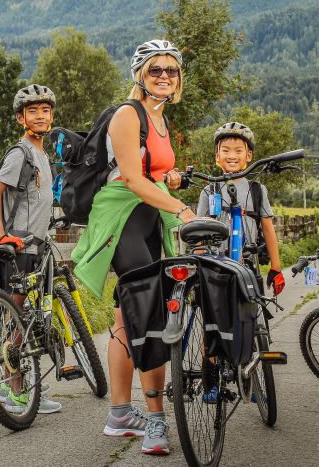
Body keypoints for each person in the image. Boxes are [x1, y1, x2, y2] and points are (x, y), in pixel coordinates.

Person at [71, 39, 197, 456]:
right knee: (148, 314)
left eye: (171, 70)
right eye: (155, 69)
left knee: (126, 317)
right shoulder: (129, 114)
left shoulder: (159, 118)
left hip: (147, 220)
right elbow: (131, 178)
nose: (164, 76)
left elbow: (151, 171)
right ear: (139, 74)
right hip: (123, 219)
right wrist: (182, 209)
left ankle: (120, 414)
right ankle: (156, 420)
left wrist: (172, 177)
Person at [0, 84, 62, 414]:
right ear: (21, 118)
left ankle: (26, 388)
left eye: (45, 110)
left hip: (37, 245)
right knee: (17, 319)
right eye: (33, 111)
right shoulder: (21, 153)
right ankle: (12, 390)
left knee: (29, 317)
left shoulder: (43, 154)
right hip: (20, 247)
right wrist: (2, 237)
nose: (41, 116)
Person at [195, 122, 285, 297]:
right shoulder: (209, 191)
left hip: (249, 264)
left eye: (238, 150)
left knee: (252, 315)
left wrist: (276, 267)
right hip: (215, 266)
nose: (231, 156)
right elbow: (199, 234)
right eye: (226, 150)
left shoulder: (257, 190)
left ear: (249, 155)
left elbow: (267, 228)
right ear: (217, 155)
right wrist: (199, 265)